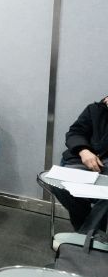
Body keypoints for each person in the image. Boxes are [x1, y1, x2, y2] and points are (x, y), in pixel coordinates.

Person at [47, 95, 108, 230]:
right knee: (60, 185)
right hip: (84, 159)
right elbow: (75, 133)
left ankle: (87, 234)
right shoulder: (95, 110)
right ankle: (91, 232)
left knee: (105, 194)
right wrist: (83, 150)